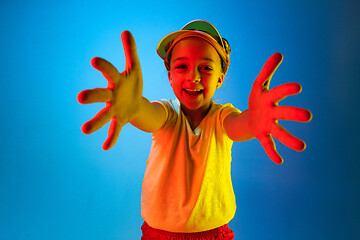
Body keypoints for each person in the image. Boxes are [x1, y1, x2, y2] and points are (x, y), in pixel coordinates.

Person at [77, 20, 312, 240]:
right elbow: (149, 116)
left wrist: (254, 121)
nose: (194, 77)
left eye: (206, 68)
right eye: (182, 66)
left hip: (213, 232)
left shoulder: (222, 116)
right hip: (160, 233)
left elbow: (237, 126)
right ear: (169, 76)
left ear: (220, 78)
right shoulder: (167, 112)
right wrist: (134, 107)